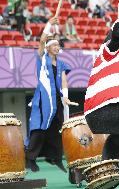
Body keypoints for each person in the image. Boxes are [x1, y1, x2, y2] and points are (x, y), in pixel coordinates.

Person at [25, 17, 74, 172]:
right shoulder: (41, 59)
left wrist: (65, 96)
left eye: (58, 45)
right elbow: (41, 41)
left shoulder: (61, 64)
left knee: (56, 130)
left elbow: (64, 81)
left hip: (56, 101)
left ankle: (56, 158)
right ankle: (30, 158)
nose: (57, 47)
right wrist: (48, 25)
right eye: (54, 45)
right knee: (39, 129)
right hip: (42, 100)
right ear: (48, 48)